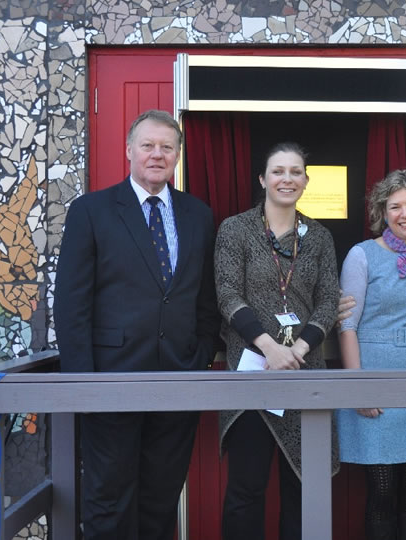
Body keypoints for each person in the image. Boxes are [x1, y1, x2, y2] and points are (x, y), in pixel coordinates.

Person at [54, 109, 219, 540]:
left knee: (161, 501)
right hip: (110, 383)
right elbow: (71, 303)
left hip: (178, 381)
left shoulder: (198, 214)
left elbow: (205, 298)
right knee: (108, 501)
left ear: (178, 155)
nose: (157, 154)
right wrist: (81, 385)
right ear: (129, 150)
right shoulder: (92, 210)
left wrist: (199, 355)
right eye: (148, 145)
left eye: (167, 147)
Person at [214, 142, 340, 540]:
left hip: (305, 373)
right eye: (278, 171)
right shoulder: (235, 229)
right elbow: (227, 294)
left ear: (306, 181)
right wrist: (269, 347)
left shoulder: (319, 236)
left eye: (295, 172)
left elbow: (329, 300)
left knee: (304, 487)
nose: (287, 178)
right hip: (252, 373)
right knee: (245, 491)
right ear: (263, 179)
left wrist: (299, 350)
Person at [336, 169, 406, 540]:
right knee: (381, 488)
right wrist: (358, 385)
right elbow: (346, 324)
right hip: (374, 372)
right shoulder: (361, 255)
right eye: (394, 206)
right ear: (382, 212)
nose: (405, 213)